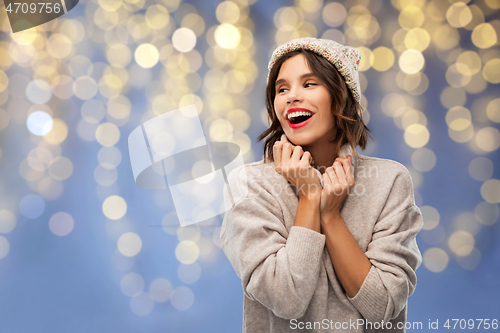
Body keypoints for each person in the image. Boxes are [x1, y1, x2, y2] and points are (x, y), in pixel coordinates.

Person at [220, 37, 423, 333]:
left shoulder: (389, 181)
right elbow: (285, 299)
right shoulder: (248, 185)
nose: (292, 96)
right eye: (281, 89)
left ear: (341, 96)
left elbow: (383, 306)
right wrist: (310, 198)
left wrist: (330, 216)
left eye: (309, 84)